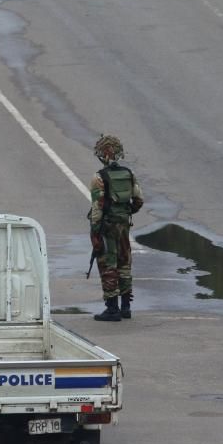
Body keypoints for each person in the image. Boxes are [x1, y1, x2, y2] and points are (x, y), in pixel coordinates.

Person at [88, 135, 144, 321]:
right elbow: (138, 200)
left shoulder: (99, 178)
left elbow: (98, 206)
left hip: (106, 226)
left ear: (102, 155)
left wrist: (96, 230)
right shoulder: (129, 174)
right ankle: (126, 307)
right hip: (123, 225)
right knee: (124, 263)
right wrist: (125, 213)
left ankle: (112, 309)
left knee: (107, 264)